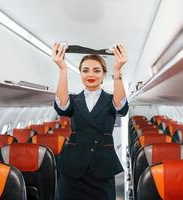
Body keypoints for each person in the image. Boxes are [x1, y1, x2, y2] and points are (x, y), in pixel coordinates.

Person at [52, 42, 129, 200]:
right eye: (85, 70)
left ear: (103, 74)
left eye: (96, 70)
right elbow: (61, 107)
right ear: (80, 74)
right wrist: (62, 69)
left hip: (102, 168)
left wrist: (117, 70)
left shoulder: (111, 99)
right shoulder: (73, 99)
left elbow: (122, 108)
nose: (90, 74)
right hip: (73, 168)